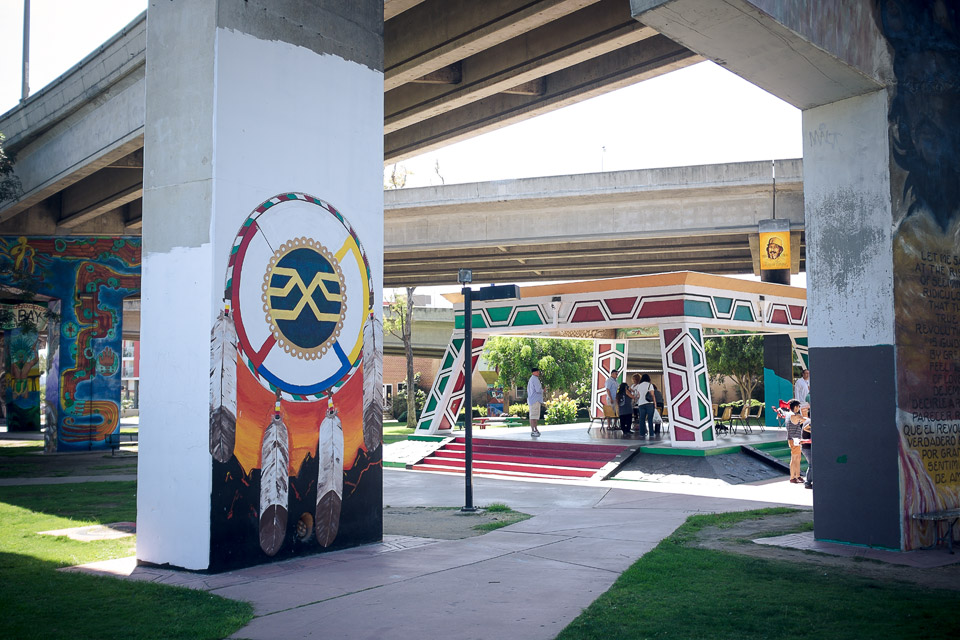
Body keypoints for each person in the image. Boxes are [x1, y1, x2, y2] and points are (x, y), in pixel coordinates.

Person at [785, 399, 809, 484]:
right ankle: (793, 477)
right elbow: (806, 420)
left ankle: (797, 476)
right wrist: (805, 412)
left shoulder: (788, 414)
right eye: (799, 406)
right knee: (795, 458)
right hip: (795, 440)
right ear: (795, 407)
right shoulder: (796, 416)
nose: (799, 408)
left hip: (792, 439)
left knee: (797, 458)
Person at [527, 367, 543, 437]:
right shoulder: (535, 379)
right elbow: (538, 390)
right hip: (535, 400)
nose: (538, 373)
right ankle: (534, 430)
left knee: (533, 416)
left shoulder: (531, 379)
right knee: (534, 416)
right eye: (537, 372)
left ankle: (535, 429)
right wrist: (543, 390)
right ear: (534, 372)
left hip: (532, 400)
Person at [800, 421, 812, 489]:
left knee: (812, 465)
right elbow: (805, 428)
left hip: (806, 447)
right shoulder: (809, 423)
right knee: (811, 465)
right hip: (807, 448)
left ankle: (809, 482)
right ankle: (807, 483)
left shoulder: (807, 421)